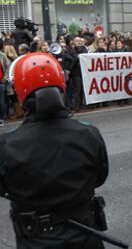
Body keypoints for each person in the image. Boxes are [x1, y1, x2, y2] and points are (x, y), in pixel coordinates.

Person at [0, 52, 110, 249]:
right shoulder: (88, 133)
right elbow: (99, 177)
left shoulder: (8, 144)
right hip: (85, 235)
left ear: (21, 91)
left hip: (37, 240)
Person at [0, 40, 10, 126]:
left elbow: (8, 66)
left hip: (1, 82)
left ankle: (2, 118)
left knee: (2, 101)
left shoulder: (2, 55)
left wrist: (5, 78)